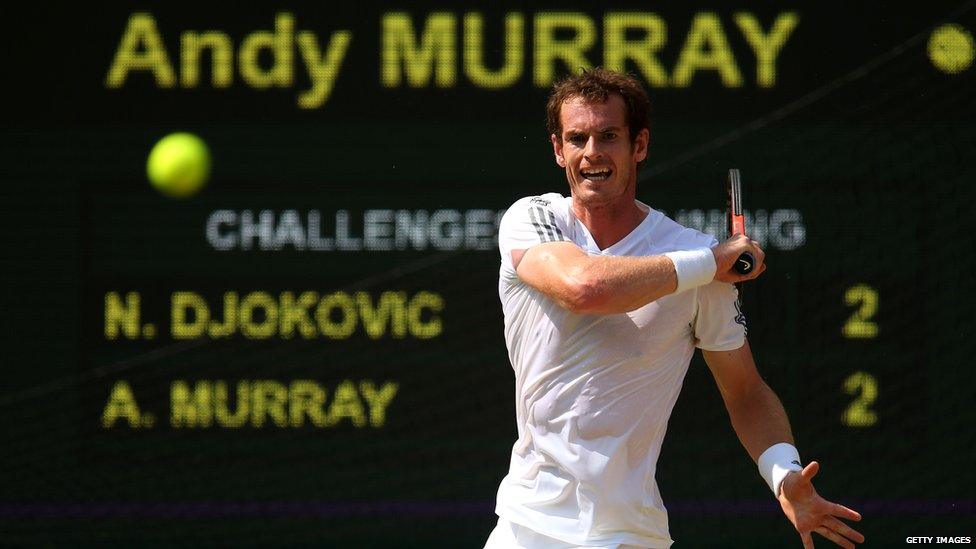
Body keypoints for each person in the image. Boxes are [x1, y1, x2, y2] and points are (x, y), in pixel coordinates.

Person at [485, 68, 863, 549]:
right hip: (527, 530)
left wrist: (783, 474)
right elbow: (584, 288)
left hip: (634, 536)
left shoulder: (702, 264)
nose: (592, 153)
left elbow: (745, 391)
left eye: (609, 136)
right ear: (559, 150)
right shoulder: (532, 218)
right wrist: (708, 261)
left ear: (639, 146)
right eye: (577, 139)